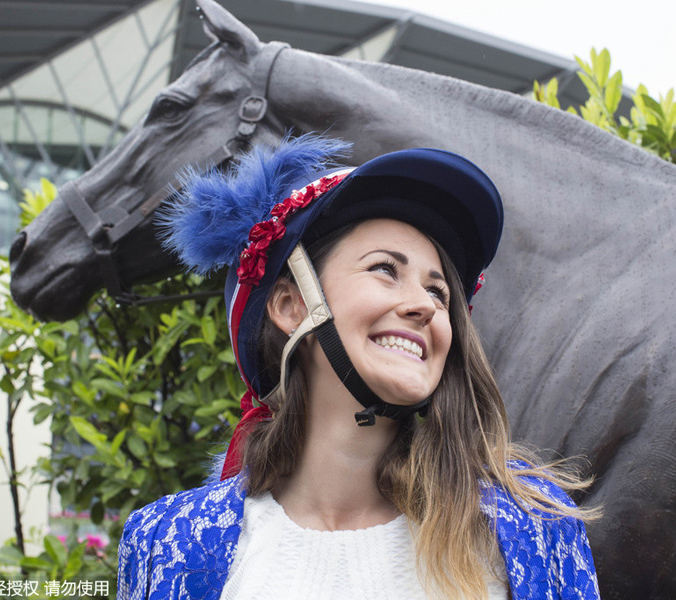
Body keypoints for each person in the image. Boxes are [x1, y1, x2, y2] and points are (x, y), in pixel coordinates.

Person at [117, 135, 600, 600]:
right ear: (290, 304)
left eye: (439, 292)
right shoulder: (164, 543)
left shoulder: (536, 525)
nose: (426, 307)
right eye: (385, 269)